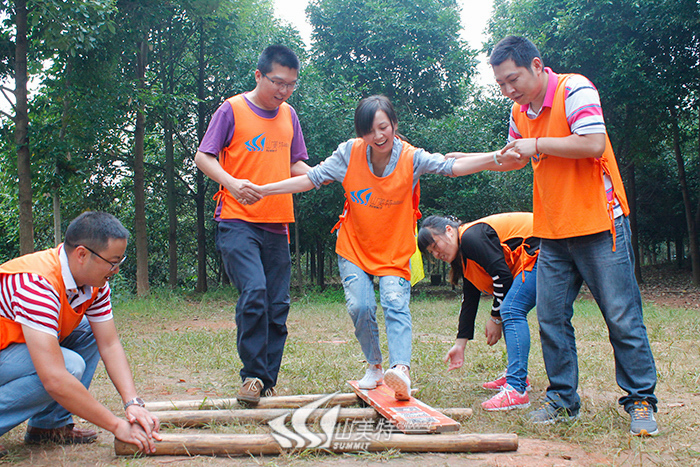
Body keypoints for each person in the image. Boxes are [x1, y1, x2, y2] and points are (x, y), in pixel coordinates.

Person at [253, 95, 523, 400]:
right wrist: (264, 190)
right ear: (361, 133)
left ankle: (401, 370)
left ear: (394, 124)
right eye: (369, 131)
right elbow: (310, 178)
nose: (378, 136)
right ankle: (375, 366)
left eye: (383, 127)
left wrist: (494, 157)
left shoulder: (411, 157)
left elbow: (452, 166)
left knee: (394, 302)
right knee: (360, 306)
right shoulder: (348, 154)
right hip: (354, 246)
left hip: (394, 249)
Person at [486, 35, 659, 436]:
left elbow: (593, 143)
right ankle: (563, 400)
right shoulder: (518, 112)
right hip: (552, 230)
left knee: (621, 316)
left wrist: (534, 143)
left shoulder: (574, 89)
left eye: (513, 79)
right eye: (501, 84)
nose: (508, 90)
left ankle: (641, 401)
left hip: (600, 224)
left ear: (536, 65)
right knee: (550, 318)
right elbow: (516, 157)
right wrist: (469, 161)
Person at [194, 45, 311, 406]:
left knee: (277, 304)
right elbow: (203, 156)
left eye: (291, 84)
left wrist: (325, 175)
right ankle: (252, 376)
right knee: (255, 292)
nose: (284, 90)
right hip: (237, 220)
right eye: (277, 82)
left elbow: (296, 165)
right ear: (259, 75)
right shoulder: (232, 109)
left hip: (278, 223)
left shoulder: (289, 115)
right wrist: (231, 182)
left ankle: (265, 381)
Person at [0, 211, 160, 458]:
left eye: (120, 260)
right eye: (112, 261)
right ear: (82, 254)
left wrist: (132, 403)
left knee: (87, 331)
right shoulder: (38, 284)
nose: (116, 270)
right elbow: (54, 378)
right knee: (69, 366)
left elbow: (109, 343)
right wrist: (117, 425)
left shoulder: (94, 285)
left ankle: (49, 426)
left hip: (12, 350)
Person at [417, 213, 539, 411]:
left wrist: (495, 318)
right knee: (508, 307)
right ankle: (516, 377)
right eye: (432, 252)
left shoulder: (470, 237)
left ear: (449, 231)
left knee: (510, 309)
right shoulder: (466, 256)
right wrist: (460, 344)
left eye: (435, 246)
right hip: (534, 254)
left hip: (544, 249)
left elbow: (502, 277)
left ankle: (516, 388)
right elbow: (469, 300)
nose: (436, 254)